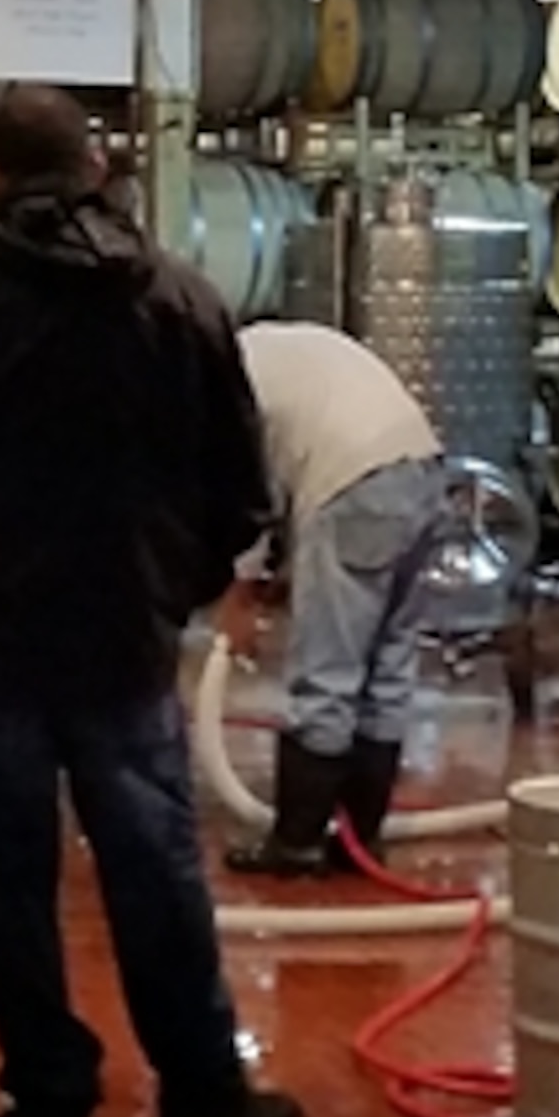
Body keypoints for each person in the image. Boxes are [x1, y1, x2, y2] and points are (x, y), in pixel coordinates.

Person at [0, 85, 306, 1117]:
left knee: (10, 877)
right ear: (97, 167)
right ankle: (202, 1095)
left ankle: (49, 1110)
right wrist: (169, 590)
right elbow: (239, 485)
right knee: (153, 865)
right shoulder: (179, 302)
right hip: (123, 638)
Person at [224, 320, 460, 877]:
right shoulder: (279, 348)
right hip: (424, 471)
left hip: (352, 484)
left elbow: (246, 492)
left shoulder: (228, 377)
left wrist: (239, 595)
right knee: (387, 670)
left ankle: (298, 843)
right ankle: (361, 838)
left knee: (327, 673)